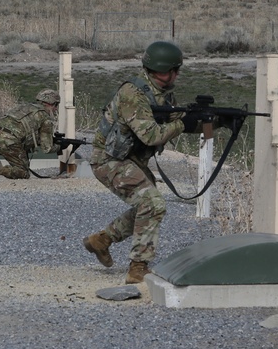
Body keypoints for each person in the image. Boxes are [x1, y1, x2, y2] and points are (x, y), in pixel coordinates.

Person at [81, 41, 205, 284]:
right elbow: (152, 135)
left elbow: (178, 120)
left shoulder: (164, 94)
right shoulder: (133, 94)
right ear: (162, 70)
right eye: (173, 70)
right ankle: (138, 268)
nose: (176, 75)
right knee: (153, 203)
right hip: (109, 160)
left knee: (147, 206)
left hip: (130, 160)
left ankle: (102, 240)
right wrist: (183, 124)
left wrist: (209, 121)